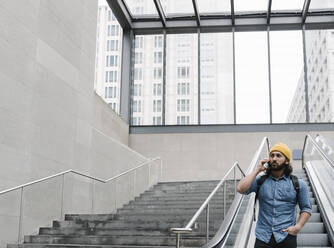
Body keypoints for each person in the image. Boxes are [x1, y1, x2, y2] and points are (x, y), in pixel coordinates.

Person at [237, 142, 312, 248]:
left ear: (286, 161)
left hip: (286, 237)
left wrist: (298, 227)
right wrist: (257, 170)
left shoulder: (298, 184)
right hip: (263, 237)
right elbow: (240, 189)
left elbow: (306, 208)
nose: (274, 159)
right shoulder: (260, 180)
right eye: (272, 155)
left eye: (278, 156)